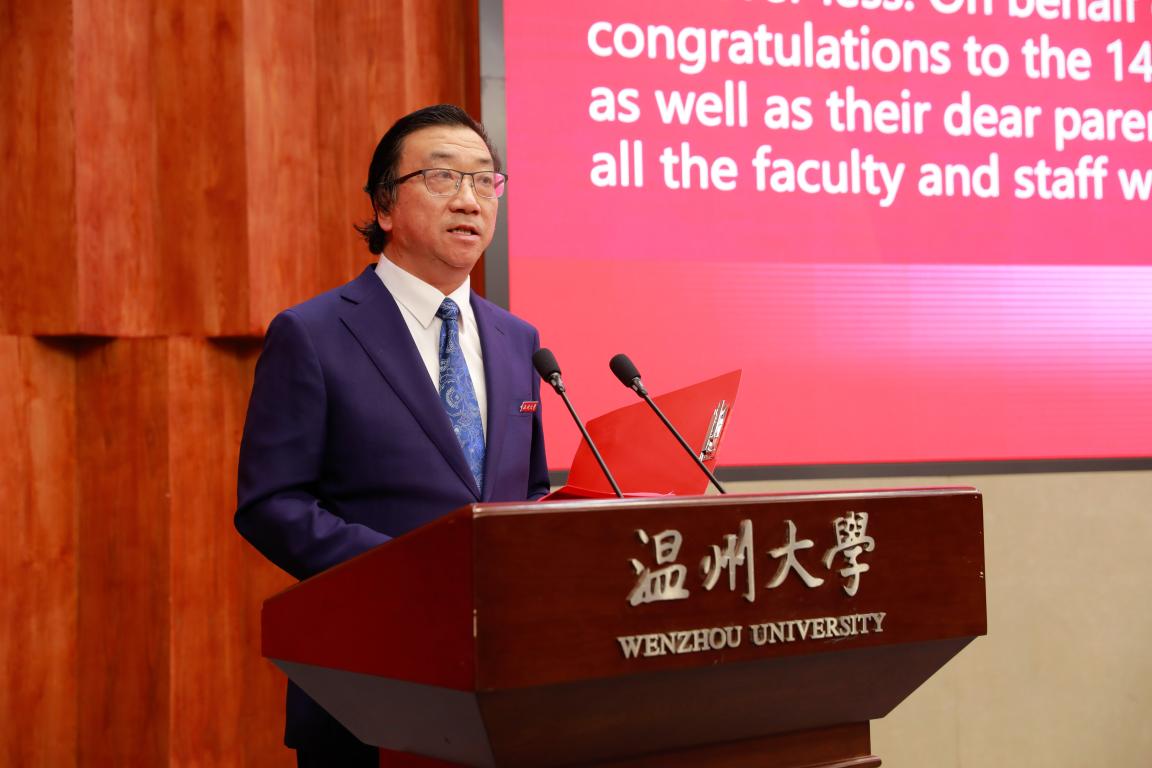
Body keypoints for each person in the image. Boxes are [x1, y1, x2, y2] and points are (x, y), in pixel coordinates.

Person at [235, 104, 550, 767]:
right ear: (384, 206)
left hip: (504, 688)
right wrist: (409, 573)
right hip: (367, 687)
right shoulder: (313, 333)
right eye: (443, 177)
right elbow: (272, 504)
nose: (468, 199)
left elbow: (529, 492)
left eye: (484, 180)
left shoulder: (517, 339)